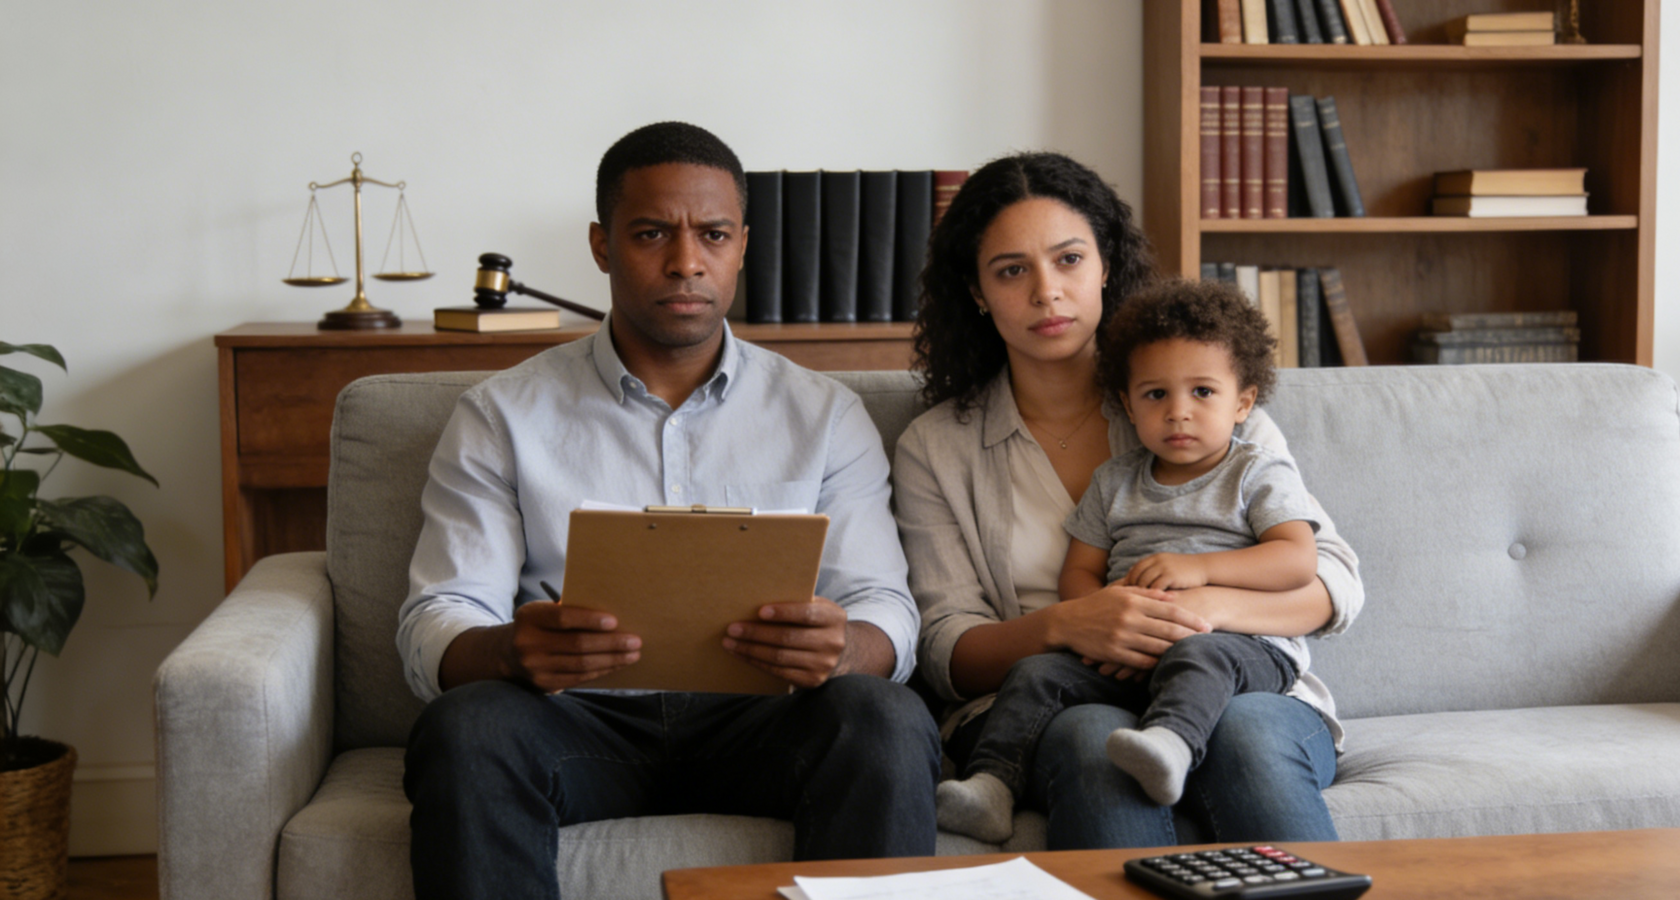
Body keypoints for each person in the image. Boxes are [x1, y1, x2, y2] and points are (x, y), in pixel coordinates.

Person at [398, 121, 939, 900]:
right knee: (466, 728)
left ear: (743, 244)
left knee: (884, 719)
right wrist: (510, 651)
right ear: (601, 244)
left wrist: (846, 647)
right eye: (652, 233)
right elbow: (437, 616)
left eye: (713, 235)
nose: (687, 262)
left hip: (765, 723)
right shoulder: (500, 414)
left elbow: (885, 606)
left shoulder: (825, 414)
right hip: (575, 722)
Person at [892, 151, 1362, 850]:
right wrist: (1071, 624)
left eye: (1069, 259)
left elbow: (1334, 583)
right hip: (1058, 694)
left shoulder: (1206, 397)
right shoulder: (936, 447)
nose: (1048, 292)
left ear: (1106, 265)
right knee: (1094, 741)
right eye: (1012, 270)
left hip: (1237, 677)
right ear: (978, 291)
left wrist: (1207, 608)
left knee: (1249, 732)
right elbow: (944, 652)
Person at [935, 279, 1333, 841]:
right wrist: (1097, 619)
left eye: (1202, 393)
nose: (1178, 413)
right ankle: (990, 786)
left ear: (1243, 401)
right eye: (1155, 396)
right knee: (1036, 674)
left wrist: (1202, 574)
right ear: (1126, 402)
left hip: (1238, 647)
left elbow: (1297, 560)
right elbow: (1079, 570)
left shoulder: (1257, 471)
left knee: (1202, 657)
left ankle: (1169, 743)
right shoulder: (1115, 482)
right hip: (1127, 654)